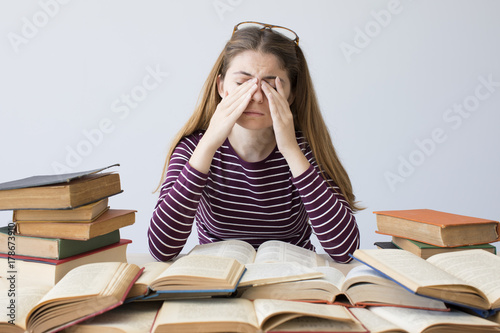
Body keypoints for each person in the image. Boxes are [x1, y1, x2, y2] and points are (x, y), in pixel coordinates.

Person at [148, 21, 361, 263]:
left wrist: (291, 151)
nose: (257, 97)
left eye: (271, 85)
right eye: (242, 84)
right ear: (221, 86)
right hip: (217, 281)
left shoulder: (306, 149)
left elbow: (345, 251)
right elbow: (161, 249)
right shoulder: (191, 149)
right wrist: (206, 147)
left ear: (291, 94)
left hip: (293, 281)